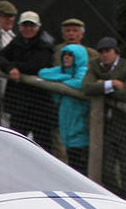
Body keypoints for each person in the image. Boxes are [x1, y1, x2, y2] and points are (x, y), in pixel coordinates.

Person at [82, 36, 126, 199]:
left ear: (116, 52)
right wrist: (112, 84)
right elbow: (86, 87)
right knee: (105, 170)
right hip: (105, 128)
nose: (104, 55)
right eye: (101, 52)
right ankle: (119, 198)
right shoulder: (94, 64)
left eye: (108, 51)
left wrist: (100, 85)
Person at [0, 10, 57, 149]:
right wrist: (10, 68)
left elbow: (37, 66)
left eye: (31, 26)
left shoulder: (45, 44)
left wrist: (13, 66)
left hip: (41, 108)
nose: (28, 29)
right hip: (19, 106)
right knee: (16, 146)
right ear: (20, 26)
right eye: (24, 25)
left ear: (38, 26)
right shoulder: (17, 41)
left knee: (43, 148)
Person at [38, 42, 91, 173]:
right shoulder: (63, 70)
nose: (67, 57)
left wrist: (61, 82)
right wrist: (67, 78)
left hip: (80, 126)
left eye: (71, 55)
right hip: (66, 125)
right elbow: (43, 73)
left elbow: (81, 83)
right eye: (65, 54)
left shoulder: (83, 71)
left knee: (80, 167)